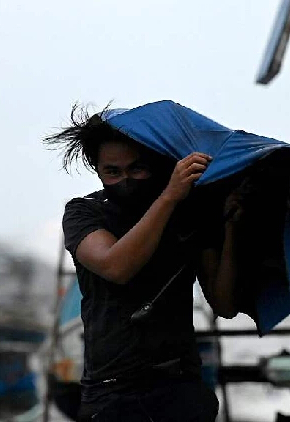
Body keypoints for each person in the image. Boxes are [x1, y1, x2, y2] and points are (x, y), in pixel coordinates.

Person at [45, 105, 242, 422]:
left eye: (137, 169)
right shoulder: (85, 213)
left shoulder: (189, 214)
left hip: (181, 387)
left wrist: (231, 228)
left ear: (157, 164)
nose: (126, 180)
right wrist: (168, 198)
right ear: (97, 170)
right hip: (113, 392)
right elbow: (116, 267)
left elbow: (225, 303)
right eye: (113, 172)